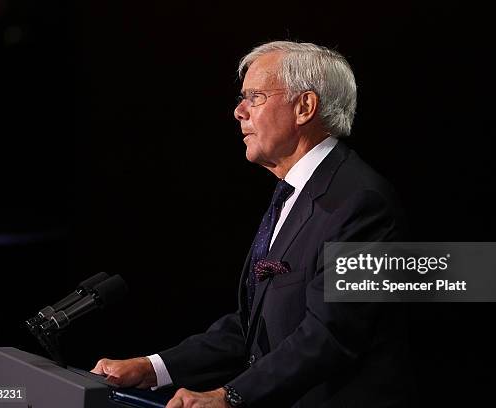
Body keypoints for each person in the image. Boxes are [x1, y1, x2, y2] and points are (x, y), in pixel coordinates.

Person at [92, 41, 412, 408]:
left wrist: (228, 396)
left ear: (304, 107)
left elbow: (330, 332)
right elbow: (251, 328)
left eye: (254, 97)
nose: (238, 111)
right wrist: (153, 368)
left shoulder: (360, 201)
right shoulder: (292, 195)